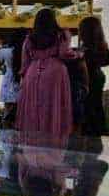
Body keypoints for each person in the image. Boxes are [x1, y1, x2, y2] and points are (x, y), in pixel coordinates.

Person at [16, 8, 79, 137]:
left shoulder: (30, 38)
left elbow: (25, 62)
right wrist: (78, 54)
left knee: (33, 104)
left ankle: (34, 139)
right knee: (53, 104)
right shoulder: (62, 34)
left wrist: (23, 78)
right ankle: (53, 137)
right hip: (55, 72)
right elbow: (64, 53)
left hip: (32, 72)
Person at [78, 17, 109, 136]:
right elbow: (108, 60)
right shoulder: (101, 44)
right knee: (97, 105)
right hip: (98, 76)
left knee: (88, 107)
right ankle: (98, 131)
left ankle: (90, 133)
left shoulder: (85, 48)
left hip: (88, 78)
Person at [0, 29, 27, 126]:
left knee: (8, 107)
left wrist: (4, 67)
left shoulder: (3, 51)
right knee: (21, 106)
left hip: (9, 77)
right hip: (24, 78)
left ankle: (7, 129)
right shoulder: (25, 50)